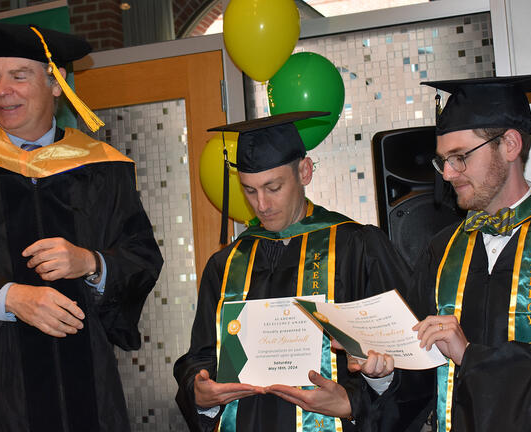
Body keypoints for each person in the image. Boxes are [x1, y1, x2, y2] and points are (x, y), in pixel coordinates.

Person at [0, 21, 163, 432]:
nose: (1, 89)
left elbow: (142, 258)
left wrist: (92, 263)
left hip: (87, 393)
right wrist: (10, 298)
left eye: (18, 76)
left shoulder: (102, 167)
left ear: (56, 84)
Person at [359, 75, 531, 431]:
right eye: (443, 161)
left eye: (459, 157)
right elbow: (424, 382)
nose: (449, 174)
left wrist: (470, 356)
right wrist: (381, 374)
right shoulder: (442, 252)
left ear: (510, 145)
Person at [173, 111, 414, 431]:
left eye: (273, 187)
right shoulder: (227, 264)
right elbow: (201, 357)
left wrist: (353, 402)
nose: (261, 205)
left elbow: (413, 363)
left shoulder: (357, 248)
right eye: (249, 190)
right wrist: (199, 394)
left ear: (304, 171)